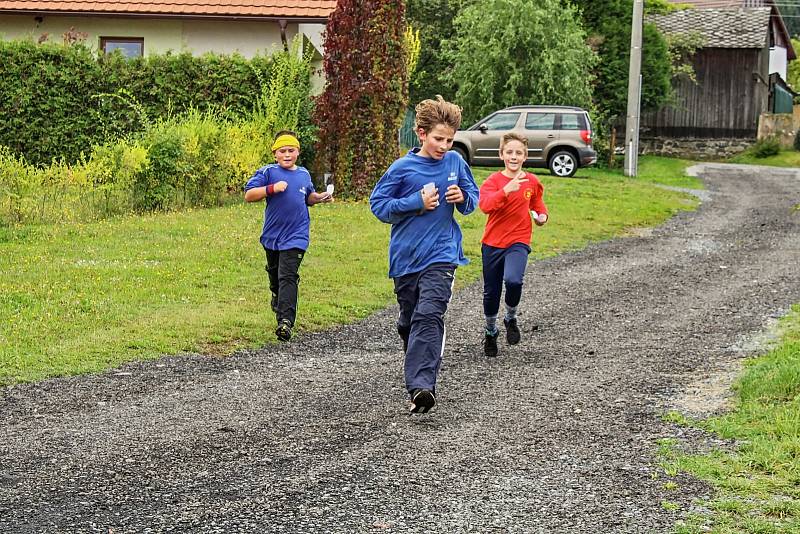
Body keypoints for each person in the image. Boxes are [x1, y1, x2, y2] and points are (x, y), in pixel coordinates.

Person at [369, 96, 479, 413]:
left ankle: (421, 387)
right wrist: (415, 202)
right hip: (405, 258)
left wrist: (462, 198)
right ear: (421, 133)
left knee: (429, 315)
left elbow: (472, 199)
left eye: (449, 139)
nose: (444, 145)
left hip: (442, 254)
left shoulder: (456, 163)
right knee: (409, 322)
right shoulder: (403, 168)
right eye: (438, 139)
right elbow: (379, 206)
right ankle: (417, 365)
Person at [244, 130, 333, 342]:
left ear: (298, 152)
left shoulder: (303, 174)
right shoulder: (268, 172)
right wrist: (272, 188)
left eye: (291, 150)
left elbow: (307, 197)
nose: (286, 154)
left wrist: (319, 198)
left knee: (288, 276)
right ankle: (276, 295)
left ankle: (285, 322)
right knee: (275, 275)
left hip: (297, 235)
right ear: (275, 154)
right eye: (282, 151)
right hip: (273, 235)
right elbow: (249, 195)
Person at [478, 132, 548, 357]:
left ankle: (510, 317)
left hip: (518, 240)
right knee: (491, 292)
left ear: (525, 157)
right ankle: (490, 331)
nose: (514, 156)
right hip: (492, 243)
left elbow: (538, 204)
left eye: (519, 153)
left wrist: (541, 217)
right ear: (502, 155)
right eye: (509, 152)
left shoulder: (532, 181)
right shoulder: (493, 181)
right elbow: (485, 206)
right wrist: (505, 190)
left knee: (514, 280)